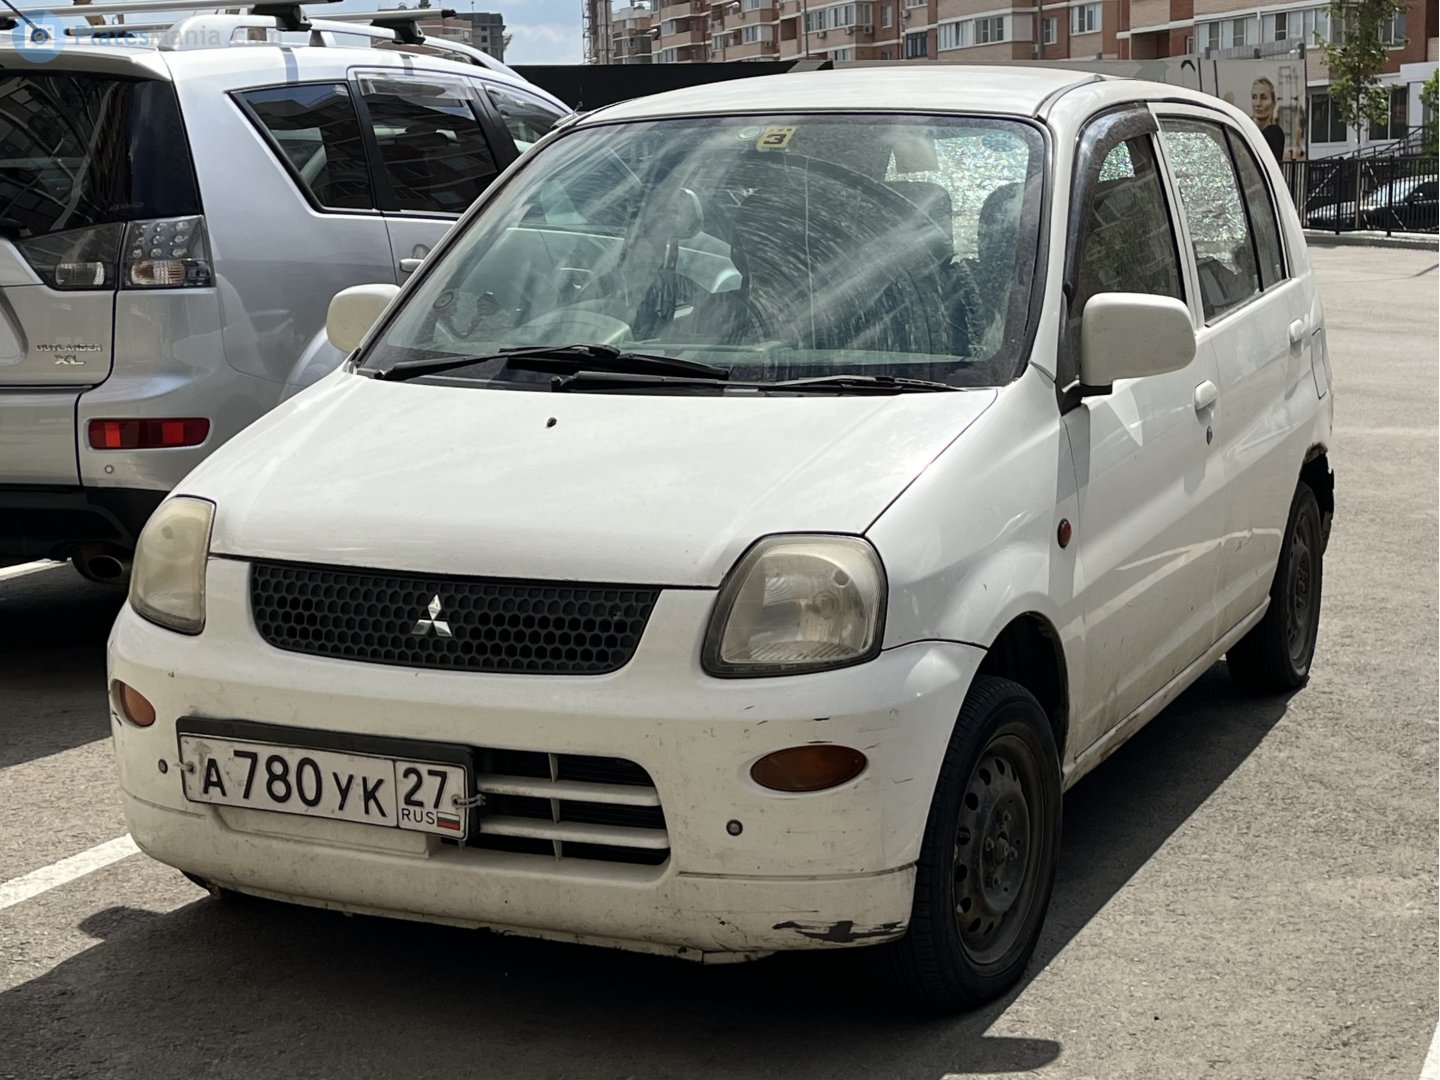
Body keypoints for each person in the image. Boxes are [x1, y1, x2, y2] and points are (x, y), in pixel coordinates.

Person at [1252, 77, 1286, 163]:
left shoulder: (1275, 133)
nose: (1258, 103)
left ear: (1273, 103)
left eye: (1263, 98)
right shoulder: (1244, 130)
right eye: (1254, 97)